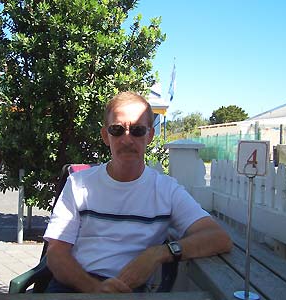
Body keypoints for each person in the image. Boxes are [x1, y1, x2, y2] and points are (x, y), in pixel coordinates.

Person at [44, 91, 232, 293]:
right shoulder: (78, 183)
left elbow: (218, 237)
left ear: (150, 135)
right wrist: (95, 290)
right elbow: (56, 253)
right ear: (105, 136)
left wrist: (159, 253)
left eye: (137, 130)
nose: (127, 140)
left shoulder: (166, 190)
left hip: (128, 290)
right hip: (75, 285)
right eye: (117, 130)